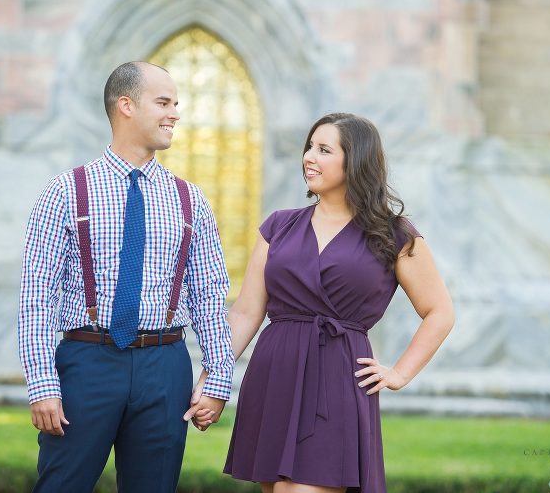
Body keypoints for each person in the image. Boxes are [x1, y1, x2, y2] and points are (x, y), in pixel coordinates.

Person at [194, 112, 454, 492]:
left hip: (338, 376)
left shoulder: (393, 234)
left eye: (324, 149)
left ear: (356, 161)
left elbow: (440, 312)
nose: (308, 157)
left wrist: (399, 373)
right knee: (277, 488)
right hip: (275, 370)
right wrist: (213, 375)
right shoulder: (278, 226)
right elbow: (247, 312)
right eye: (309, 147)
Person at [17, 61, 234, 493]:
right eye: (164, 102)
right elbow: (36, 296)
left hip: (164, 365)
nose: (175, 113)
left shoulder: (190, 200)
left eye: (177, 104)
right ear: (126, 105)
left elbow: (209, 295)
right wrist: (42, 384)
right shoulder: (65, 192)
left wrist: (219, 378)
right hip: (87, 361)